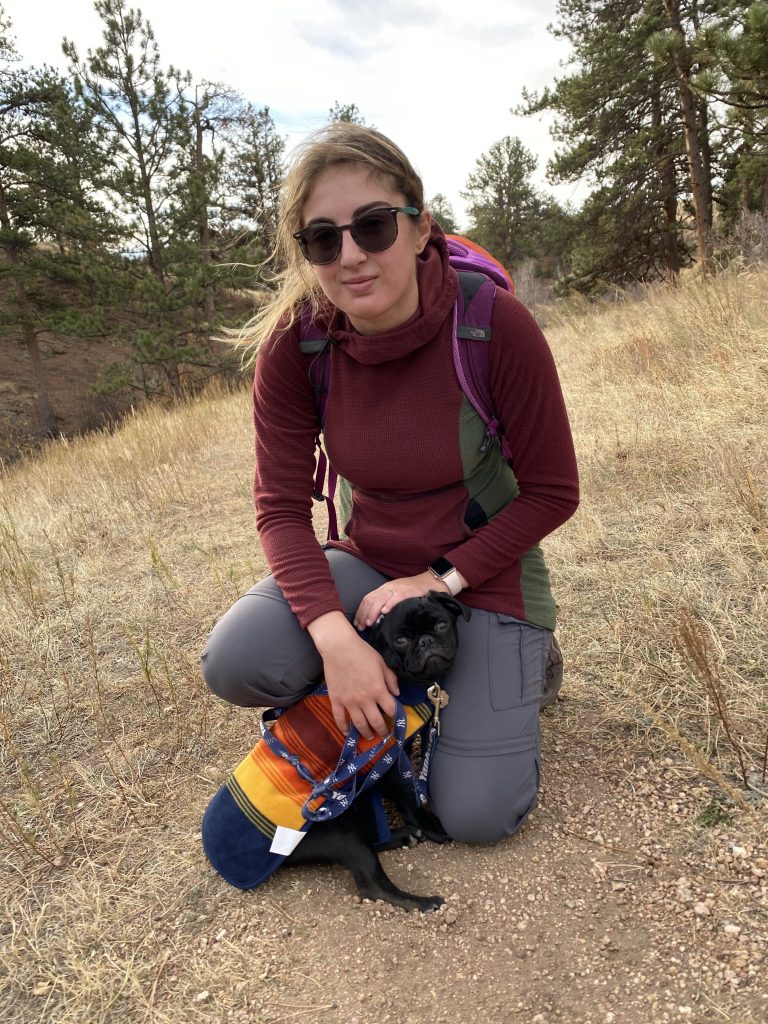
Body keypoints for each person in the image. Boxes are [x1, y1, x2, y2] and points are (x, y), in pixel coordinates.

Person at [201, 123, 579, 844]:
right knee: (237, 662)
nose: (350, 256)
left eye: (373, 227)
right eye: (322, 240)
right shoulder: (298, 343)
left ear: (418, 226)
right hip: (369, 561)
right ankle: (381, 671)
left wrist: (441, 580)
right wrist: (334, 636)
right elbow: (280, 508)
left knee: (476, 816)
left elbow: (554, 492)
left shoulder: (493, 325)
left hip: (485, 568)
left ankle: (523, 660)